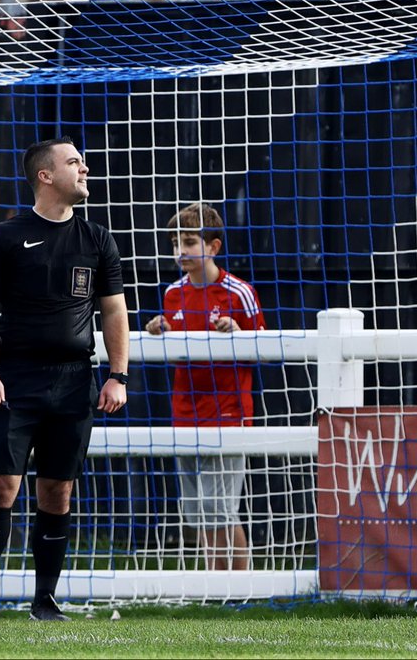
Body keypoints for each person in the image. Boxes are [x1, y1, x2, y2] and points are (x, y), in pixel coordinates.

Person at [0, 136, 130, 622]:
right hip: (14, 379)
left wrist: (117, 376)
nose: (86, 168)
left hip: (75, 381)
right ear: (45, 175)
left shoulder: (97, 238)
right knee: (0, 487)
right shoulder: (5, 237)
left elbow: (114, 312)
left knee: (57, 490)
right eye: (75, 162)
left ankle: (45, 601)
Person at [144, 202, 264, 572]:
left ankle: (242, 589)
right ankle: (215, 588)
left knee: (221, 509)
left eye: (189, 241)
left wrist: (239, 334)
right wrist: (158, 331)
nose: (180, 250)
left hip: (228, 414)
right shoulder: (172, 294)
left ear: (212, 247)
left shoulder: (239, 292)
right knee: (197, 512)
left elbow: (262, 349)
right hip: (185, 414)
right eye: (175, 242)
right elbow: (177, 350)